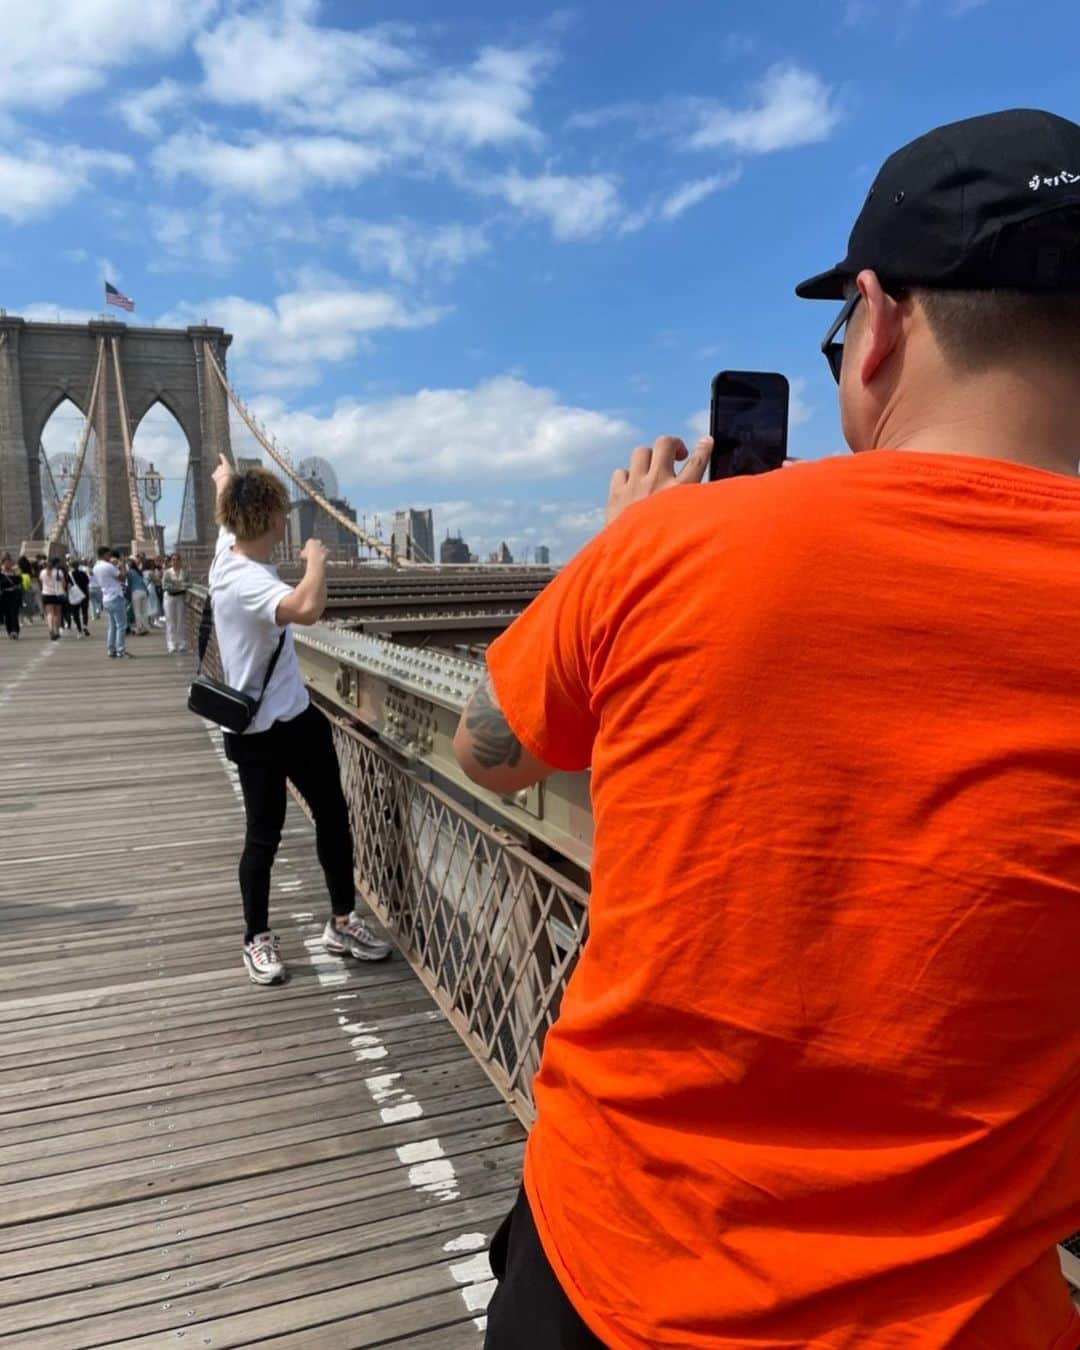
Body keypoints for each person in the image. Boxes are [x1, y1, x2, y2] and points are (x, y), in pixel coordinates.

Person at [457, 109, 1080, 1350]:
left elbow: (492, 747)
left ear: (878, 323)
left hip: (611, 1281)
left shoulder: (667, 550)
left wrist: (619, 547)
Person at [207, 455, 392, 985]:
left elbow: (225, 506)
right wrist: (315, 559)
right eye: (283, 515)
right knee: (263, 836)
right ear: (269, 523)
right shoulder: (244, 581)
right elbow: (307, 608)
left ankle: (342, 921)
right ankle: (256, 939)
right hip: (257, 734)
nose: (288, 523)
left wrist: (226, 478)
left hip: (298, 718)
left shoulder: (228, 547)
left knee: (334, 816)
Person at [93, 547, 132, 659]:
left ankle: (111, 650)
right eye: (109, 554)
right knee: (121, 625)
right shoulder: (108, 566)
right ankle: (121, 650)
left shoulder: (96, 567)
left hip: (106, 598)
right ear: (104, 554)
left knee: (112, 626)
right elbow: (123, 577)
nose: (110, 556)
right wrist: (123, 564)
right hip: (115, 597)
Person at [162, 552, 189, 653]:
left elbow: (190, 584)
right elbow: (165, 586)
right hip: (169, 598)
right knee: (170, 621)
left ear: (180, 561)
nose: (175, 561)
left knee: (180, 621)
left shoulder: (185, 572)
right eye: (173, 560)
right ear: (170, 562)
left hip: (180, 598)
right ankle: (171, 644)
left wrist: (175, 585)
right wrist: (180, 586)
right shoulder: (167, 572)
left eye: (177, 559)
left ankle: (181, 643)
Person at [39, 557, 67, 640]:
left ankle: (51, 630)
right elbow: (64, 584)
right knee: (57, 614)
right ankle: (57, 631)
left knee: (50, 613)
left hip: (46, 594)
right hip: (58, 595)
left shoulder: (43, 572)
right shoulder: (59, 572)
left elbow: (41, 582)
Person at [126, 558, 149, 635]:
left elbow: (129, 585)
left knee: (137, 611)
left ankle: (139, 628)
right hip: (144, 592)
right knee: (144, 611)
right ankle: (146, 627)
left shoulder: (129, 572)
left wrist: (128, 595)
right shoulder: (138, 572)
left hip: (135, 592)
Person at [0, 555, 21, 640]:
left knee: (14, 613)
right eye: (6, 562)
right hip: (4, 595)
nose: (8, 564)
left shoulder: (15, 571)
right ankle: (10, 631)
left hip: (14, 594)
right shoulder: (1, 573)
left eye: (9, 562)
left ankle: (15, 630)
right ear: (3, 563)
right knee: (7, 614)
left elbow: (19, 580)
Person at [69, 559, 91, 637]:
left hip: (75, 595)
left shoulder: (70, 575)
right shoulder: (83, 573)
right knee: (84, 611)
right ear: (78, 566)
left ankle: (79, 630)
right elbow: (88, 582)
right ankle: (85, 626)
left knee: (76, 613)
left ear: (71, 566)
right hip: (84, 594)